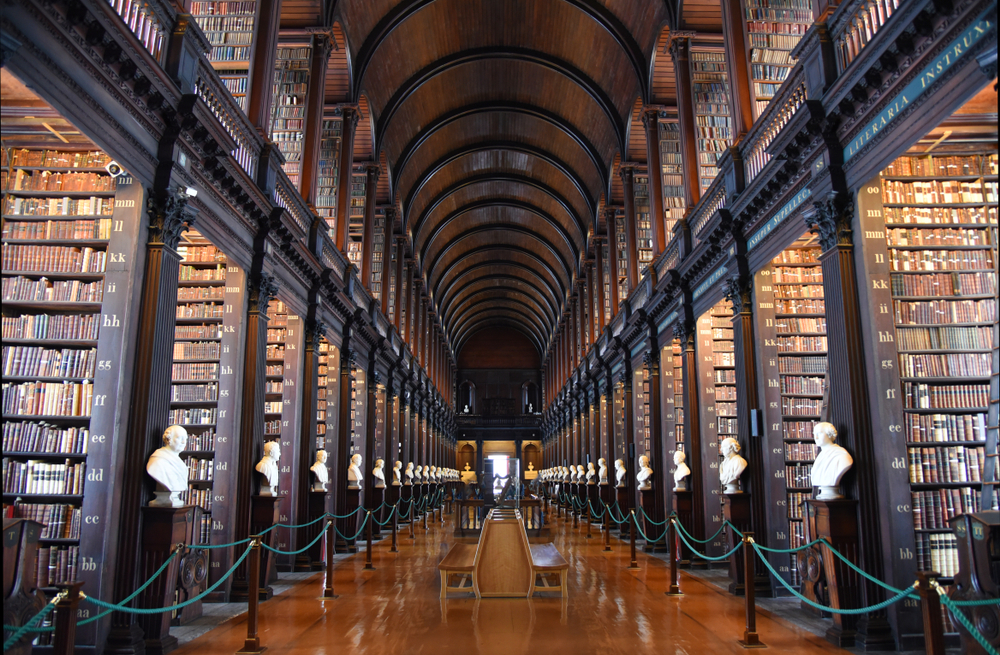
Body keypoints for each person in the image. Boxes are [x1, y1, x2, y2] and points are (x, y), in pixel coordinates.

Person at [147, 425, 189, 506]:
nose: (184, 442)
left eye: (186, 439)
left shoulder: (181, 463)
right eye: (180, 438)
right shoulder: (159, 461)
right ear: (169, 439)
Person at [811, 422, 854, 500]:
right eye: (814, 434)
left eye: (819, 433)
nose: (816, 437)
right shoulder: (820, 457)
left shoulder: (841, 456)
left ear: (829, 434)